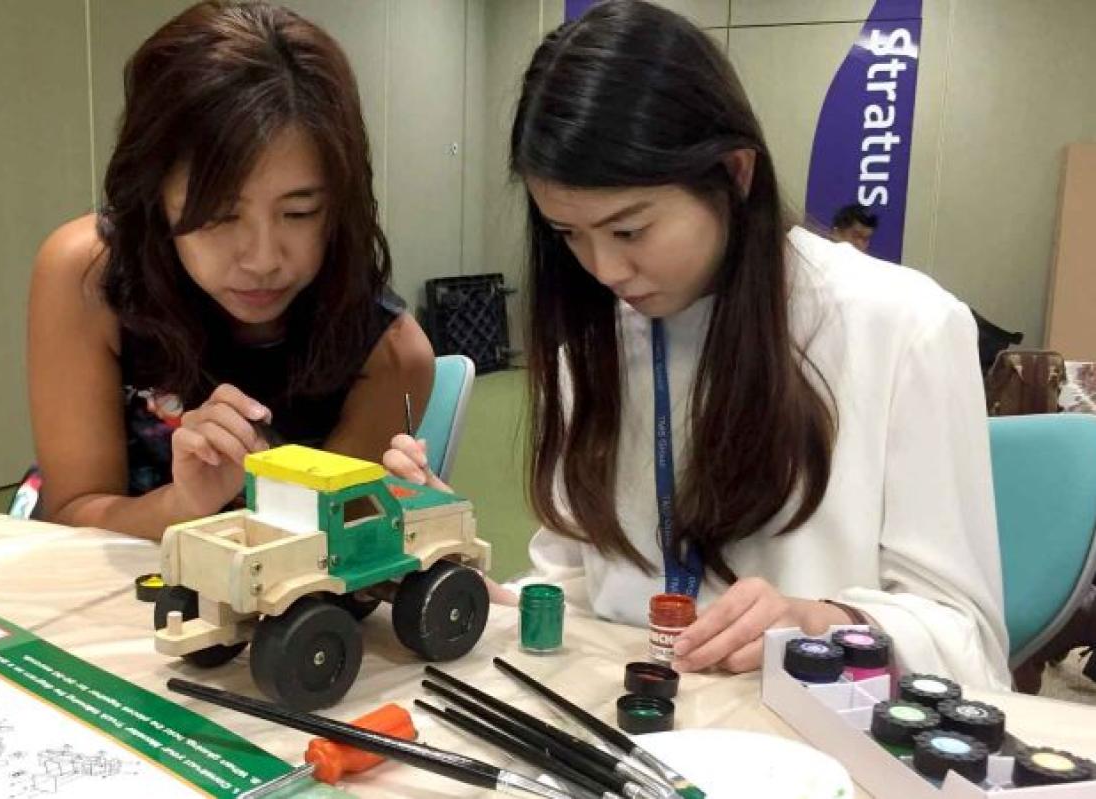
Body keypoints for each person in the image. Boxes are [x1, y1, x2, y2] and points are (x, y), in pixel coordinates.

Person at [386, 0, 1009, 687]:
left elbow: (969, 644)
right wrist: (461, 562)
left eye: (629, 230)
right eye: (569, 234)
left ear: (735, 174)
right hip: (632, 729)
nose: (604, 270)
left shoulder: (904, 327)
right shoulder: (594, 345)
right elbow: (574, 588)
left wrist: (816, 622)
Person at [27, 1, 433, 540]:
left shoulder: (387, 353)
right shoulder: (89, 277)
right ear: (154, 194)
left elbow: (322, 552)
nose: (263, 259)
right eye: (219, 215)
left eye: (299, 212)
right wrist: (184, 503)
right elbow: (71, 516)